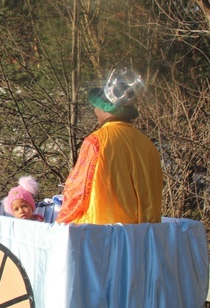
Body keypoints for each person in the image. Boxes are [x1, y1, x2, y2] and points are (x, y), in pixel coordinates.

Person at [56, 69, 162, 225]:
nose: (94, 110)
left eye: (96, 106)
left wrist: (60, 221)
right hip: (144, 237)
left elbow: (78, 190)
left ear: (105, 109)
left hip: (103, 235)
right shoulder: (148, 144)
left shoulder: (96, 141)